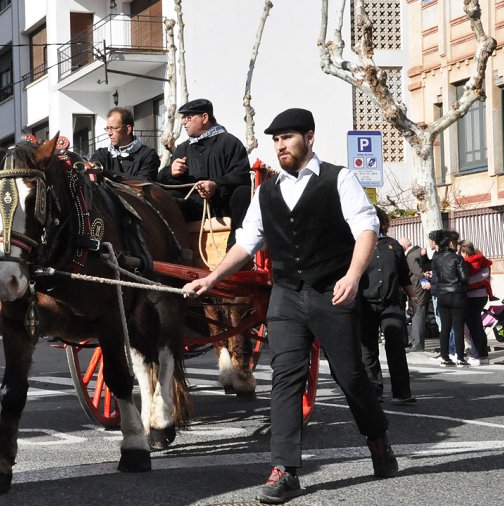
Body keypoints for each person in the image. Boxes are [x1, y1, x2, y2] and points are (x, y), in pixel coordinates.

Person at [182, 108, 397, 503]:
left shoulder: (339, 178)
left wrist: (352, 275)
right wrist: (212, 278)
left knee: (350, 376)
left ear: (309, 137)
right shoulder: (266, 191)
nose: (280, 145)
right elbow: (247, 243)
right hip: (286, 294)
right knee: (284, 379)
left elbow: (367, 227)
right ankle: (285, 469)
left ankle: (377, 437)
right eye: (276, 139)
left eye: (288, 137)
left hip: (332, 291)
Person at [157, 98, 252, 249]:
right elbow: (165, 182)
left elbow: (241, 175)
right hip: (195, 206)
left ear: (205, 118)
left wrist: (216, 185)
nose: (183, 122)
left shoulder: (229, 143)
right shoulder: (183, 148)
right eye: (183, 118)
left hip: (223, 204)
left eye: (188, 117)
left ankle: (235, 248)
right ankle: (171, 248)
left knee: (243, 193)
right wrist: (171, 172)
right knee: (167, 198)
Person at [359, 207, 416, 404]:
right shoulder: (355, 245)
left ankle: (402, 392)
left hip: (391, 303)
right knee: (368, 349)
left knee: (396, 347)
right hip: (364, 304)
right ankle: (373, 391)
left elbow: (403, 276)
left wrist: (413, 298)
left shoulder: (394, 246)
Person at [431, 231, 469, 367]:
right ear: (451, 243)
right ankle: (460, 357)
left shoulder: (436, 258)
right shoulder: (457, 258)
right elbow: (465, 278)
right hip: (457, 294)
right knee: (458, 327)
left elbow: (435, 275)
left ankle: (445, 357)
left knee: (445, 327)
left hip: (441, 294)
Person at [90, 107, 160, 181]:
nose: (109, 133)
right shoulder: (101, 154)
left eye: (113, 128)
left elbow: (142, 187)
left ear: (127, 129)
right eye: (107, 128)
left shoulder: (148, 155)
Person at [459, 240, 491, 365]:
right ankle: (482, 354)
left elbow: (481, 276)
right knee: (477, 326)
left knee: (474, 327)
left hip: (472, 296)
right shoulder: (482, 260)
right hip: (481, 295)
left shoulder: (468, 262)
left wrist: (464, 282)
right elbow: (484, 276)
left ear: (464, 252)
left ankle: (477, 354)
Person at [399, 237, 431, 352]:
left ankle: (417, 344)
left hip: (417, 289)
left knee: (418, 314)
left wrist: (424, 278)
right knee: (419, 313)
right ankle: (416, 342)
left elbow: (418, 273)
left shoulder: (411, 256)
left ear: (403, 247)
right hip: (422, 288)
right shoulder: (419, 252)